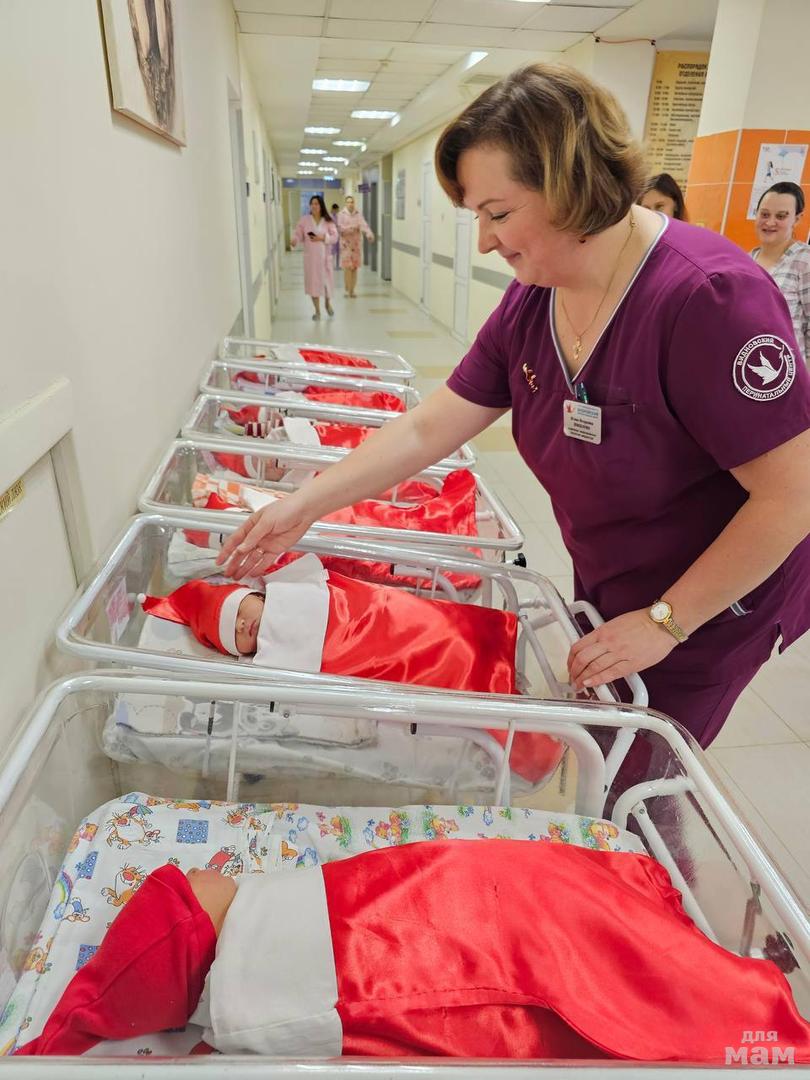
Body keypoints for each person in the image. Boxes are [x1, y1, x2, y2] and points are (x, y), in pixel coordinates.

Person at [219, 63, 810, 751]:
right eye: (477, 216)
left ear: (573, 185)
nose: (484, 241)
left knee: (637, 763)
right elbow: (428, 427)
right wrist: (303, 506)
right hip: (614, 570)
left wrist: (665, 621)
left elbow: (792, 495)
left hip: (712, 599)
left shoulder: (708, 299)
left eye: (498, 214)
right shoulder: (536, 298)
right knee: (594, 737)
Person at [18, 842, 810, 1059]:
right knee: (563, 954)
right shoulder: (263, 981)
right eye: (193, 882)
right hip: (407, 946)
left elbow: (428, 874)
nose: (204, 868)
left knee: (524, 887)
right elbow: (424, 984)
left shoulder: (267, 901)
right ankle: (739, 1010)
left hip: (459, 892)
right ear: (196, 934)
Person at [751, 181, 810, 362]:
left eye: (781, 216)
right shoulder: (745, 260)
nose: (770, 222)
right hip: (747, 366)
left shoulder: (804, 260)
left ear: (797, 219)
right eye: (764, 214)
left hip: (790, 372)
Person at [290, 195, 338, 320]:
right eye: (312, 204)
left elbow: (335, 237)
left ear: (321, 205)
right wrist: (294, 240)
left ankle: (327, 304)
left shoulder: (328, 221)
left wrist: (322, 238)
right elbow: (298, 234)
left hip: (325, 259)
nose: (314, 206)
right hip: (311, 259)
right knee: (313, 285)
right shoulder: (304, 220)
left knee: (327, 284)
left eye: (316, 203)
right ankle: (317, 311)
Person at [337, 194, 374, 298]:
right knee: (347, 268)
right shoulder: (341, 214)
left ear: (354, 203)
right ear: (345, 203)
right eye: (348, 202)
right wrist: (351, 228)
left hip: (356, 245)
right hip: (345, 245)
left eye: (352, 202)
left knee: (354, 268)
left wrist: (369, 234)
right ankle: (348, 289)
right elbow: (340, 228)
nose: (350, 204)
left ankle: (352, 290)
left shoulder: (358, 214)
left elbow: (364, 225)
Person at [330, 202, 341, 269]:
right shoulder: (330, 217)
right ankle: (332, 265)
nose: (337, 211)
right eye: (336, 209)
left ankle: (338, 265)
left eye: (337, 210)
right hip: (332, 236)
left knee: (338, 251)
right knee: (332, 251)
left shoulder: (337, 216)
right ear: (333, 209)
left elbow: (339, 225)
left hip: (338, 236)